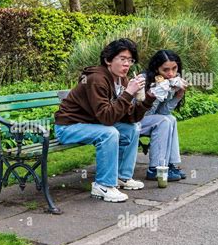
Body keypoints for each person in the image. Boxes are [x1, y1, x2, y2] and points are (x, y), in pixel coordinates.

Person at [54, 38, 157, 202]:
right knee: (109, 133)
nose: (127, 64)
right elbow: (106, 118)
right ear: (108, 60)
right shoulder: (96, 79)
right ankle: (103, 185)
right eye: (122, 59)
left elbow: (130, 117)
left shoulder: (121, 79)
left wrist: (147, 100)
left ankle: (121, 177)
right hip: (68, 126)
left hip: (91, 124)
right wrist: (128, 93)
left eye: (130, 60)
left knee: (133, 128)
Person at [140, 50, 188, 181]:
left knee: (170, 118)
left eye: (174, 68)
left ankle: (170, 165)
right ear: (156, 69)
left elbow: (163, 112)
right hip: (133, 120)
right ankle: (155, 168)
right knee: (164, 121)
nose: (171, 74)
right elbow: (145, 113)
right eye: (165, 70)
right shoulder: (144, 80)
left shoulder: (169, 82)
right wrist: (155, 93)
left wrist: (178, 96)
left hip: (149, 120)